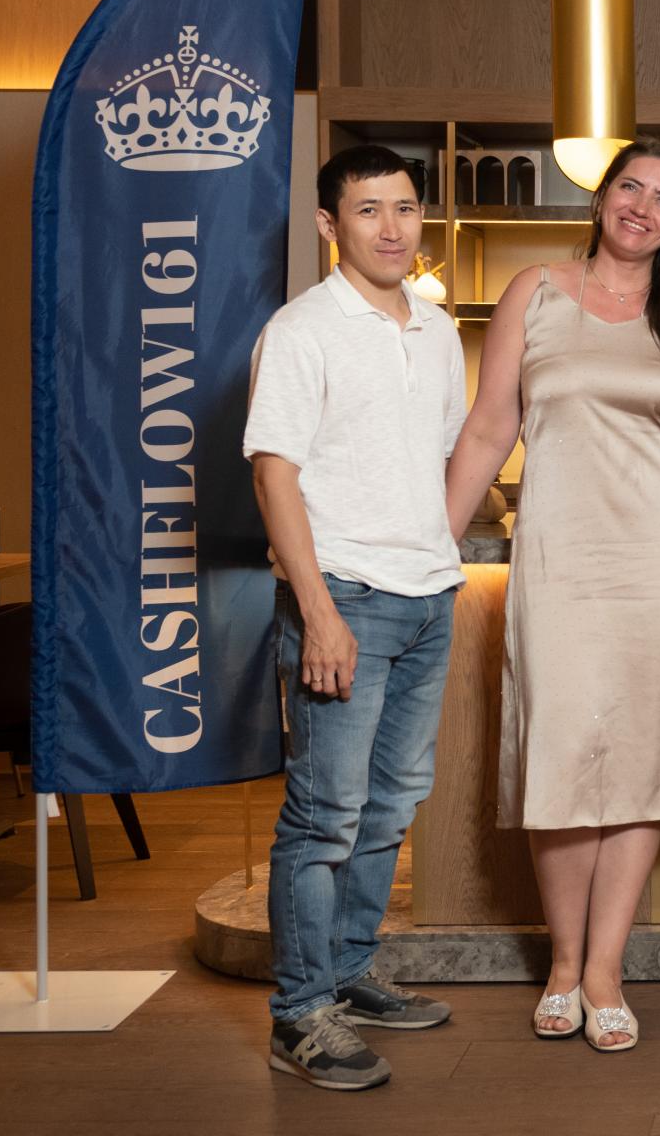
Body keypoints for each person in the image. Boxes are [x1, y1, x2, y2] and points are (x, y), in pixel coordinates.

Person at [443, 140, 660, 1052]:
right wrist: (432, 545)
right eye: (630, 187)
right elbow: (490, 426)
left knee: (643, 760)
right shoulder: (535, 290)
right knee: (567, 752)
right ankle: (563, 963)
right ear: (602, 196)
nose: (642, 208)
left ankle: (605, 971)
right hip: (566, 559)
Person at [245, 145, 467, 1091]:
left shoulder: (439, 329)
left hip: (428, 598)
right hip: (345, 599)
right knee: (324, 814)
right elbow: (274, 474)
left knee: (390, 806)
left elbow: (442, 457)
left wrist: (439, 565)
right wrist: (318, 611)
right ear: (330, 224)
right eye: (369, 210)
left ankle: (346, 972)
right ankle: (299, 1014)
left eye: (405, 208)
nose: (392, 227)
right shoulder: (302, 330)